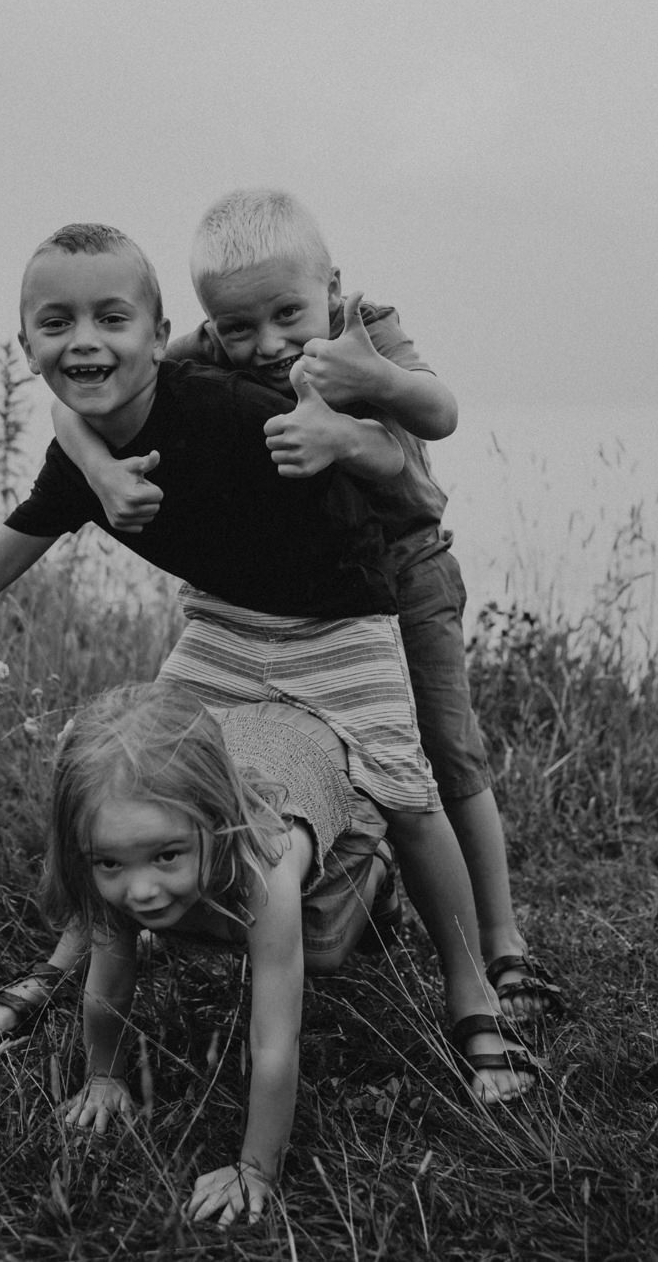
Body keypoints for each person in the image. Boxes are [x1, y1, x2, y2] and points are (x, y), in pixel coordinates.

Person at [0, 221, 539, 1106]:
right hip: (222, 624)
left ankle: (472, 994)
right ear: (26, 348)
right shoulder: (78, 458)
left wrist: (343, 438)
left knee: (407, 792)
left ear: (158, 331)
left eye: (110, 318)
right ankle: (72, 958)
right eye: (56, 324)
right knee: (143, 769)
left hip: (339, 616)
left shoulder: (229, 407)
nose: (85, 340)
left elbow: (401, 479)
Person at [49, 191, 563, 1022]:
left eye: (288, 312)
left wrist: (371, 386)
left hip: (405, 570)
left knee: (441, 754)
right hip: (288, 592)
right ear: (211, 321)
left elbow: (440, 412)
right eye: (238, 327)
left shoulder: (361, 325)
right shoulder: (210, 347)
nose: (267, 344)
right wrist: (100, 471)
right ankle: (99, 936)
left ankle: (501, 946)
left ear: (331, 283)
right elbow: (90, 396)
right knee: (183, 747)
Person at [26, 681, 426, 1226]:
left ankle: (375, 865)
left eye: (166, 854)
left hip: (314, 758)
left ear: (215, 824)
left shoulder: (266, 862)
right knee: (187, 913)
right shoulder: (120, 843)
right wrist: (103, 1075)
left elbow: (272, 1039)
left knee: (323, 951)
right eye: (110, 864)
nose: (139, 890)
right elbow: (108, 985)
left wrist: (255, 1168)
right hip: (239, 734)